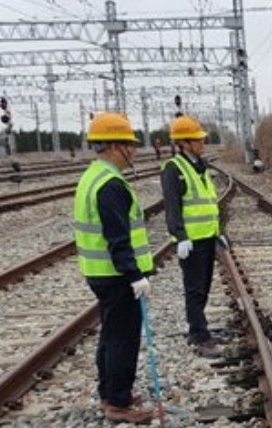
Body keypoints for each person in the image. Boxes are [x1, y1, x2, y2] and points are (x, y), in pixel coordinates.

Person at [74, 112, 155, 424]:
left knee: (110, 334)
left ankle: (110, 393)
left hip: (100, 273)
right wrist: (135, 275)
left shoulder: (92, 176)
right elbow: (118, 238)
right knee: (123, 338)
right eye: (128, 144)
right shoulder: (110, 184)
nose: (133, 150)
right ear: (113, 146)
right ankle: (118, 403)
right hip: (117, 275)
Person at [160, 115, 225, 358]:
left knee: (204, 285)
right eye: (197, 140)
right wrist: (180, 235)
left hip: (207, 237)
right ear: (184, 143)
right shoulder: (173, 168)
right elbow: (172, 205)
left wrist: (218, 233)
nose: (202, 143)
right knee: (194, 288)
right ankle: (199, 334)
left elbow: (207, 203)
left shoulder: (200, 166)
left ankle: (199, 330)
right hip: (191, 241)